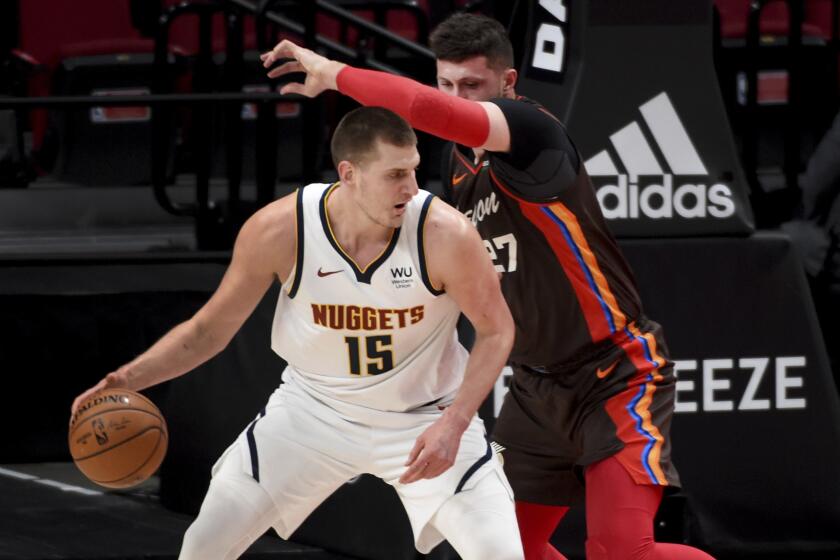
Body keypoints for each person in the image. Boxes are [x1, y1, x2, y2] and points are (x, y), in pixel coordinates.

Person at [261, 12, 716, 560]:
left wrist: (333, 72)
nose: (456, 99)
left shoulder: (529, 132)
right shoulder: (455, 173)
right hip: (535, 389)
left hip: (613, 374)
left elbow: (430, 111)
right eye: (446, 84)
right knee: (501, 551)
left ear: (508, 83)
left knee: (620, 550)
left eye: (471, 86)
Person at [71, 106, 525, 560]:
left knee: (499, 553)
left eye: (414, 171)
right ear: (349, 173)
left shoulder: (445, 234)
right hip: (312, 412)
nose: (411, 187)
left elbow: (496, 331)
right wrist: (125, 381)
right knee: (203, 546)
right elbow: (208, 332)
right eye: (395, 174)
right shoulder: (280, 229)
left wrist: (455, 423)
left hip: (425, 416)